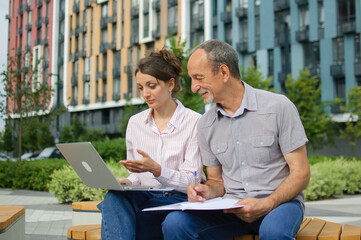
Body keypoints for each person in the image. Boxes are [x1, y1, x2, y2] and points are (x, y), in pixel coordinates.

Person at [161, 39, 310, 240]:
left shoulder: (278, 107)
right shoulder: (205, 124)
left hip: (280, 205)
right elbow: (216, 181)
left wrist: (267, 203)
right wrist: (205, 190)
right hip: (233, 208)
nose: (194, 87)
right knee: (175, 223)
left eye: (199, 78)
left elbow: (301, 173)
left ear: (223, 72)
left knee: (274, 232)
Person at [97, 49, 203, 240]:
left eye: (151, 86)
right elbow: (137, 175)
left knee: (143, 219)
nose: (145, 94)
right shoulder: (135, 123)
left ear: (170, 83)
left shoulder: (195, 122)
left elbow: (192, 181)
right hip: (145, 195)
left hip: (178, 198)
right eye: (140, 88)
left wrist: (157, 169)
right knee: (114, 198)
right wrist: (128, 182)